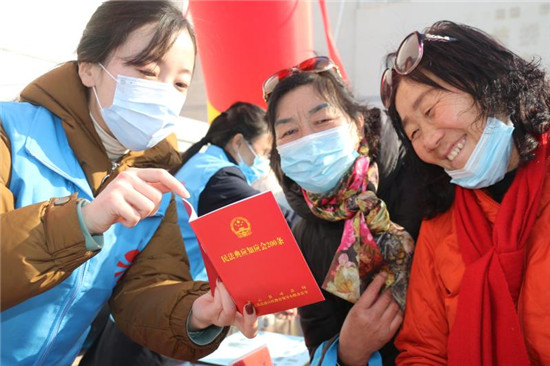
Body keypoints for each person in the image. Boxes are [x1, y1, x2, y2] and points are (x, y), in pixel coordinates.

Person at [0, 2, 257, 365]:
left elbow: (145, 288)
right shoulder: (10, 133)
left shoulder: (156, 176)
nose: (165, 93)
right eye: (147, 71)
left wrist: (195, 312)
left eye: (181, 83)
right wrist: (82, 222)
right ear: (89, 68)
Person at [380, 21, 550, 365]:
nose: (429, 139)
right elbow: (422, 350)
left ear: (486, 80)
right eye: (413, 132)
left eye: (430, 110)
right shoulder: (440, 225)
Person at [78, 101, 297, 366]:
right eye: (263, 152)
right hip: (164, 319)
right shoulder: (220, 179)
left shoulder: (202, 161)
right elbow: (279, 224)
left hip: (146, 309)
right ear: (239, 142)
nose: (263, 162)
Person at [263, 56, 422, 366]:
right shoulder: (304, 232)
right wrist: (349, 351)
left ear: (357, 124)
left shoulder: (420, 178)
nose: (308, 139)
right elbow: (318, 338)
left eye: (322, 121)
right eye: (289, 132)